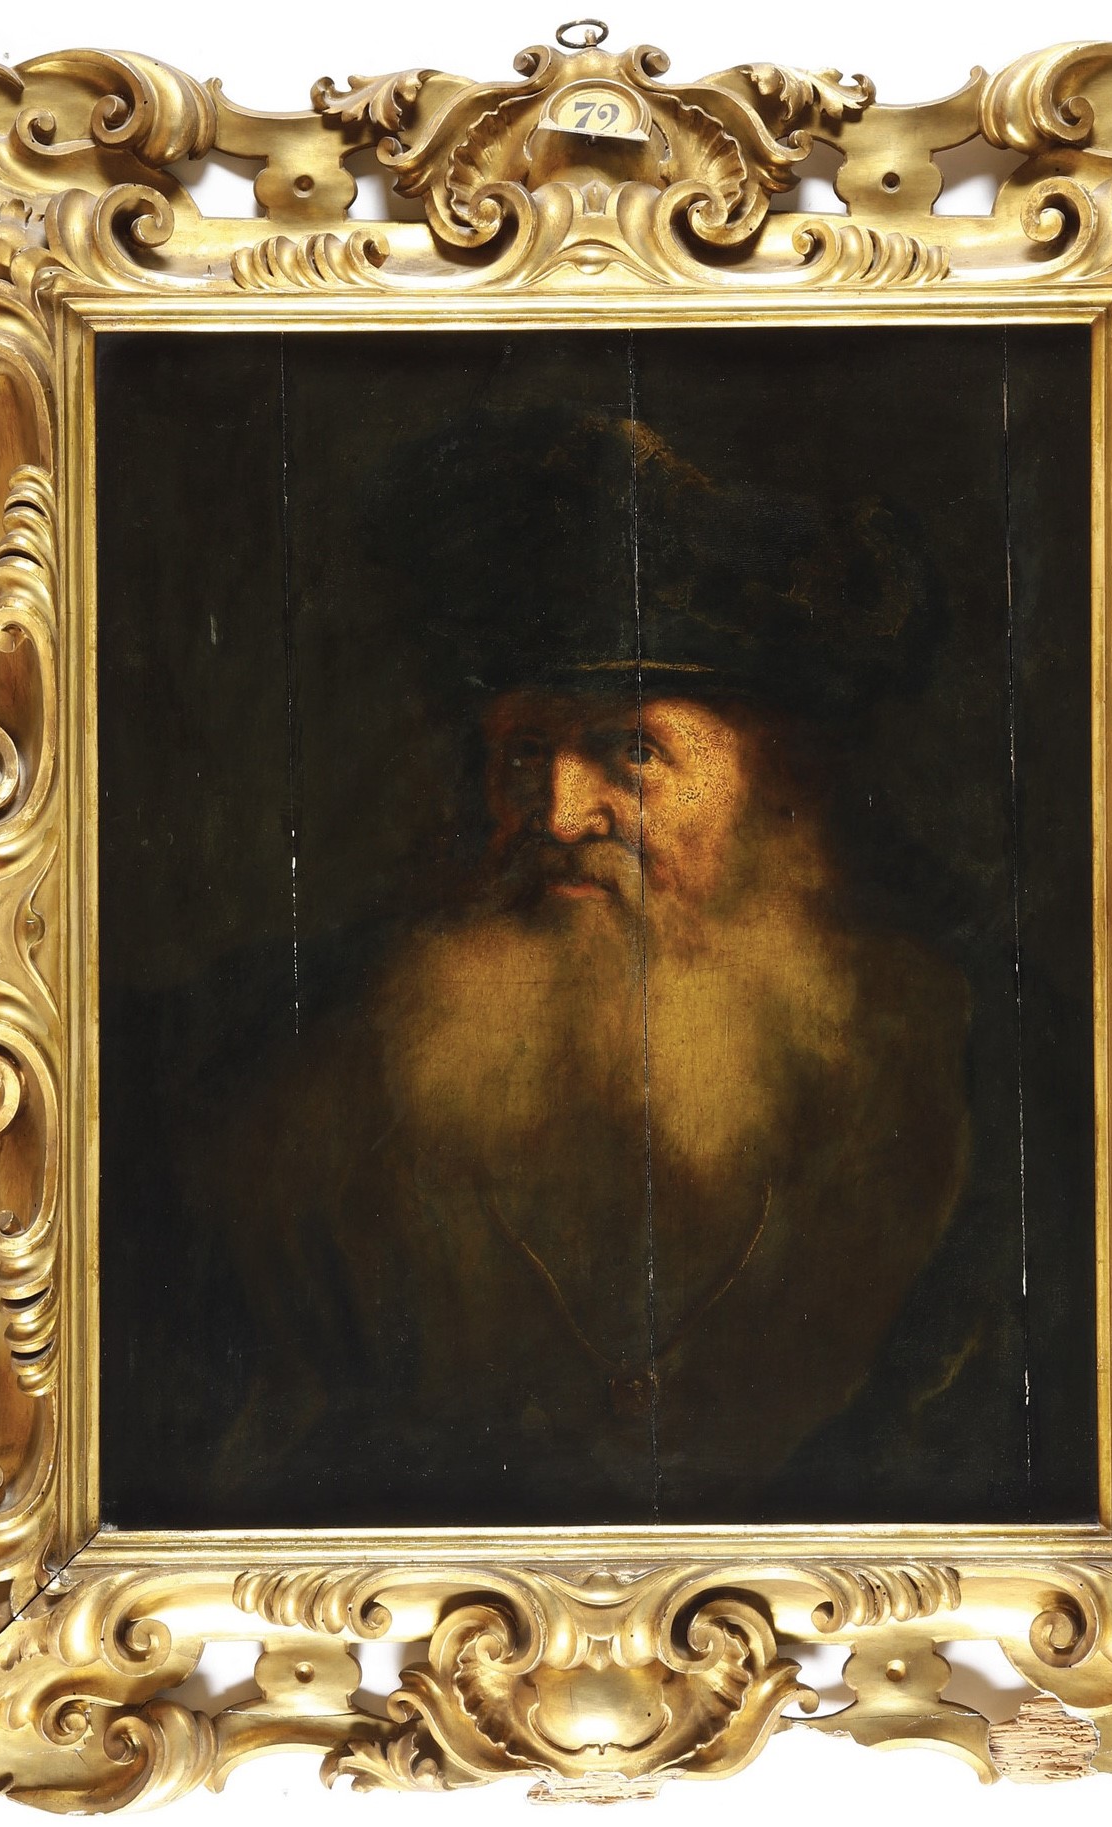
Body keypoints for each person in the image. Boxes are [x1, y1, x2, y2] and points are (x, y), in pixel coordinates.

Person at [208, 410, 973, 1524]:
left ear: (776, 789)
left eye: (631, 750)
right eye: (525, 751)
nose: (559, 813)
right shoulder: (318, 1102)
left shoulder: (968, 1079)